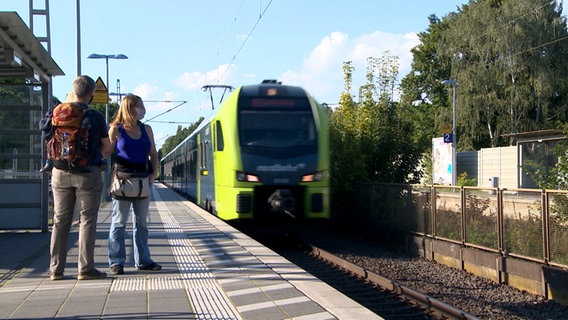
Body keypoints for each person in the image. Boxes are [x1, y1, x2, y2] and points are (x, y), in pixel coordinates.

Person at [46, 75, 112, 280]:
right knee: (87, 220)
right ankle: (85, 269)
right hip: (87, 174)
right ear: (91, 94)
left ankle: (55, 270)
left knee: (60, 221)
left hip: (59, 173)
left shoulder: (56, 112)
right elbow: (108, 147)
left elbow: (47, 138)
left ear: (73, 91)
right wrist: (98, 157)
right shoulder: (94, 116)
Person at [107, 93, 161, 275]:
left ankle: (143, 260)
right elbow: (106, 153)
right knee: (119, 222)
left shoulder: (147, 129)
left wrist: (154, 174)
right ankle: (116, 261)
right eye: (139, 106)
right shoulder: (116, 129)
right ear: (129, 108)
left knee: (141, 223)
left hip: (143, 181)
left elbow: (153, 154)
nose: (142, 109)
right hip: (122, 180)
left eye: (142, 105)